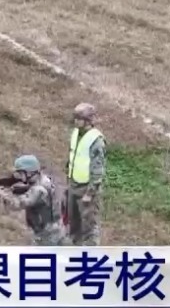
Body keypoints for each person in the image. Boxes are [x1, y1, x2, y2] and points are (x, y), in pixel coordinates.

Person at [0, 155, 69, 245]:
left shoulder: (39, 190)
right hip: (53, 229)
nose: (19, 176)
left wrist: (2, 193)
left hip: (47, 235)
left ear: (29, 173)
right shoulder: (43, 179)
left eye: (20, 173)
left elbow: (16, 204)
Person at [66, 103, 106, 245]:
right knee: (73, 223)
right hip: (73, 184)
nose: (76, 121)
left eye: (79, 118)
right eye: (75, 118)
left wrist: (90, 193)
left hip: (86, 188)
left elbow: (97, 170)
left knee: (89, 226)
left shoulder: (96, 140)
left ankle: (91, 253)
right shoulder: (76, 133)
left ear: (88, 120)